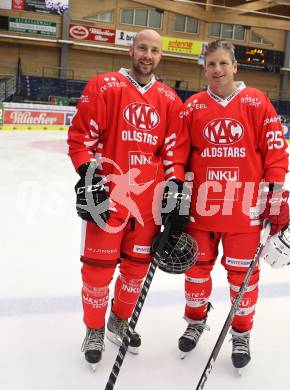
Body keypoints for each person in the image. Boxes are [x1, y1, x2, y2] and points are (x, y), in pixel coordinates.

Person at [67, 29, 188, 369]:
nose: (147, 55)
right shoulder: (104, 86)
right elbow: (80, 140)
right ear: (131, 49)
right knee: (96, 273)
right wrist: (89, 177)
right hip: (109, 201)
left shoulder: (169, 99)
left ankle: (118, 321)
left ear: (160, 56)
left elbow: (173, 153)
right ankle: (93, 329)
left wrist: (175, 187)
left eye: (154, 50)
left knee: (135, 273)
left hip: (147, 208)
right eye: (142, 48)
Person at [175, 40, 290, 370]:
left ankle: (241, 333)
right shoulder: (193, 107)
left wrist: (276, 197)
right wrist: (177, 196)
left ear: (235, 67)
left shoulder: (256, 101)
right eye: (211, 64)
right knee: (195, 272)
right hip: (202, 210)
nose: (217, 69)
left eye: (223, 63)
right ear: (204, 69)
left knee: (243, 278)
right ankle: (195, 321)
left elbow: (275, 152)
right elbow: (180, 155)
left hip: (244, 211)